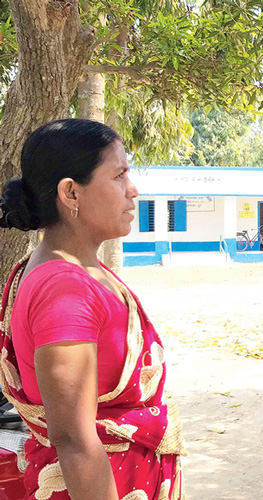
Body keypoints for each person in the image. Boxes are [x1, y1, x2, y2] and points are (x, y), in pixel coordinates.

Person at [0, 119, 186, 500]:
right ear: (70, 193)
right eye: (118, 176)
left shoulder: (79, 270)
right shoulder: (63, 289)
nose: (132, 191)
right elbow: (73, 441)